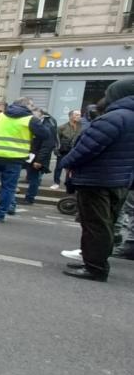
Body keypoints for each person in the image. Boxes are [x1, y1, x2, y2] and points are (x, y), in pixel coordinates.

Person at [58, 79, 134, 281]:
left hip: (98, 179)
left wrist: (66, 162)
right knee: (106, 224)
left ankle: (95, 267)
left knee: (95, 225)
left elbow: (87, 148)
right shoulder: (127, 116)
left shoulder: (114, 118)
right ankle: (95, 262)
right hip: (119, 180)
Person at [0, 98, 53, 222]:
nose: (33, 108)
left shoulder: (0, 116)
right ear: (27, 107)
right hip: (14, 158)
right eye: (32, 106)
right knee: (8, 188)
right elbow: (45, 135)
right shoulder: (30, 119)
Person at [21, 108, 57, 205]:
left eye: (34, 115)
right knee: (31, 177)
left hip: (37, 157)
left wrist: (39, 160)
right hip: (31, 155)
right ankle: (28, 197)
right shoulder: (40, 125)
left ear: (42, 115)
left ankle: (30, 198)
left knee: (34, 178)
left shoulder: (47, 126)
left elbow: (47, 145)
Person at [52, 110, 83, 189]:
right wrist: (56, 149)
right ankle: (56, 182)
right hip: (63, 150)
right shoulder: (62, 127)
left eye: (79, 115)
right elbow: (56, 139)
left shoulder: (82, 127)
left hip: (75, 151)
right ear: (70, 116)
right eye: (76, 115)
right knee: (59, 166)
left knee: (71, 168)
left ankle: (68, 183)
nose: (79, 116)